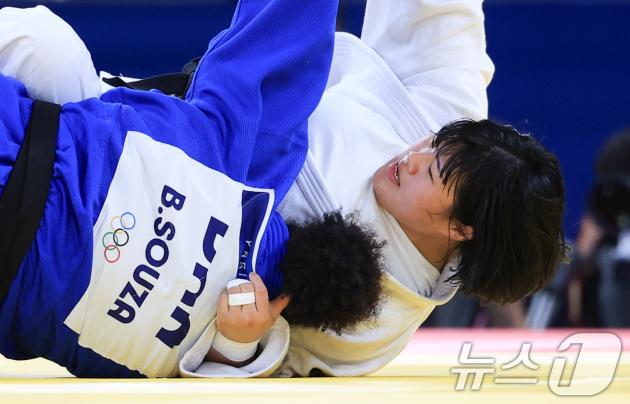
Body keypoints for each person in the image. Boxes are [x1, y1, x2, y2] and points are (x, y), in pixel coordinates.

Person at [0, 0, 568, 378]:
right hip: (141, 133)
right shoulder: (453, 118)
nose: (412, 156)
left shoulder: (375, 324)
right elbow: (440, 10)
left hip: (119, 248)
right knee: (42, 45)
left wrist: (239, 345)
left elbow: (260, 369)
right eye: (431, 145)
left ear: (459, 230)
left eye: (433, 173)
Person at [0, 0, 384, 379]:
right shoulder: (191, 357)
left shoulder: (242, 166)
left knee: (42, 44)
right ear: (288, 308)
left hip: (21, 139)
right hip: (12, 276)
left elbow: (287, 36)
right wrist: (234, 349)